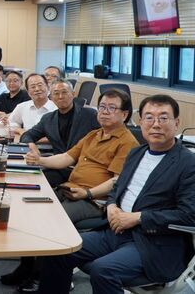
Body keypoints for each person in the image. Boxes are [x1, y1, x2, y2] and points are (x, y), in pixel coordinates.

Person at [38, 94, 195, 294]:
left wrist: (138, 218)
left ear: (176, 123)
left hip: (153, 242)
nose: (155, 124)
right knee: (59, 248)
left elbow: (189, 215)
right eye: (149, 117)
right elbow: (117, 188)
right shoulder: (137, 153)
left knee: (103, 270)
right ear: (140, 122)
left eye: (163, 118)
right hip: (116, 230)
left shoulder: (188, 163)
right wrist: (111, 205)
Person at [9, 90, 139, 293]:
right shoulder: (93, 135)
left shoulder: (127, 142)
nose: (104, 112)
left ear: (124, 115)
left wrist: (89, 194)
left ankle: (39, 276)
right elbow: (66, 158)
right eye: (102, 107)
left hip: (95, 201)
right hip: (71, 191)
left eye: (111, 108)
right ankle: (27, 269)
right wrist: (39, 160)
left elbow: (117, 181)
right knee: (33, 213)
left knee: (52, 226)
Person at [20, 79, 100, 186]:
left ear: (73, 94)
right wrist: (32, 145)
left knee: (40, 181)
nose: (60, 97)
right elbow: (27, 135)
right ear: (51, 97)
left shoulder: (89, 115)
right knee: (29, 178)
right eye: (56, 94)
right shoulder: (48, 119)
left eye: (64, 92)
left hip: (83, 168)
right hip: (58, 166)